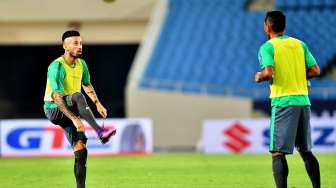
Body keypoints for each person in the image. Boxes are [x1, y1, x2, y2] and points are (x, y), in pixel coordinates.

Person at [255, 11, 321, 188]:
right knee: (306, 151)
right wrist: (298, 77)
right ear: (284, 26)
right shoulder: (300, 44)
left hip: (283, 102)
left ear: (267, 27)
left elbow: (269, 72)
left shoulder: (267, 47)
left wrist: (260, 76)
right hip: (303, 101)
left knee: (277, 152)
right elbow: (315, 70)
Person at [43, 30, 116, 188]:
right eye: (75, 43)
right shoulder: (57, 66)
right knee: (77, 96)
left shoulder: (82, 64)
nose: (80, 46)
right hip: (54, 109)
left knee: (81, 150)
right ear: (65, 46)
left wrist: (98, 103)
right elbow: (57, 97)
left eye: (81, 43)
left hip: (70, 108)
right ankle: (100, 131)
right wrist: (75, 119)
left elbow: (87, 84)